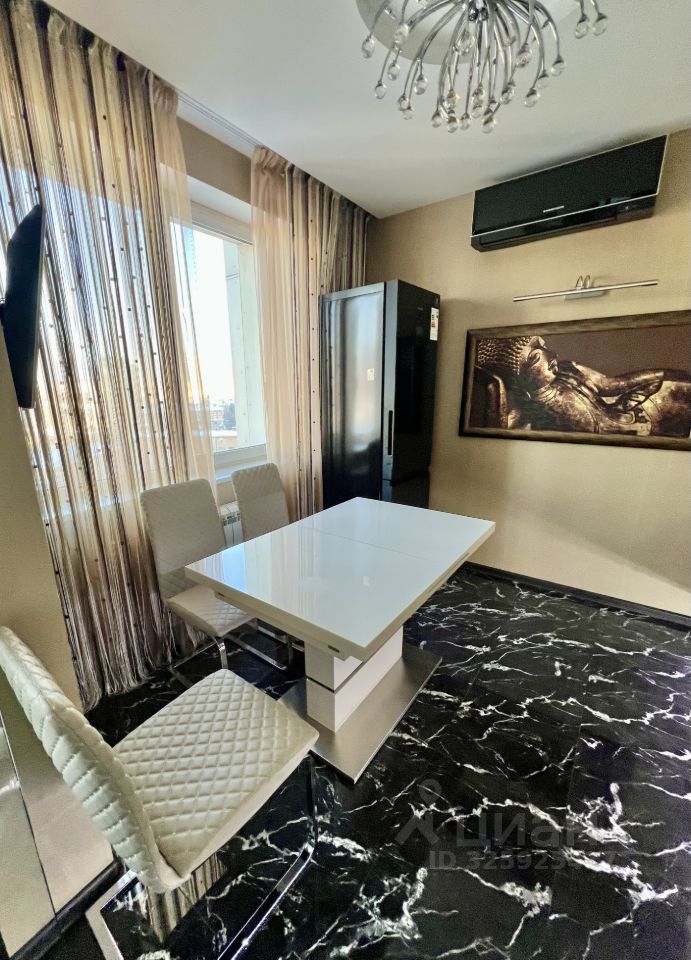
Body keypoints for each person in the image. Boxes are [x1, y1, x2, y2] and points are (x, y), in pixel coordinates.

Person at [474, 334, 691, 437]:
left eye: (545, 347)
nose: (552, 355)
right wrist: (495, 386)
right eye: (535, 358)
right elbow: (499, 432)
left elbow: (613, 385)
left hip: (634, 415)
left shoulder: (569, 369)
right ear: (519, 379)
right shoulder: (530, 412)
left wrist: (661, 374)